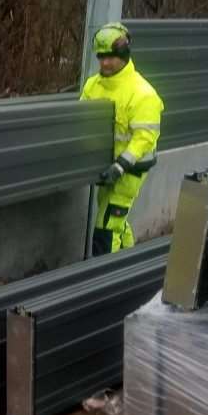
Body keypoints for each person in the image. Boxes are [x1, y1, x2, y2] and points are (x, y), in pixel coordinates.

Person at [80, 23, 163, 256]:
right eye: (101, 57)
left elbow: (144, 138)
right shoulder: (92, 85)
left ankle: (106, 280)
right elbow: (82, 122)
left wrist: (120, 165)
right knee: (116, 217)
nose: (105, 63)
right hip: (107, 165)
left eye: (111, 57)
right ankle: (130, 263)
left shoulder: (142, 93)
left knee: (106, 227)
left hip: (131, 167)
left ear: (124, 55)